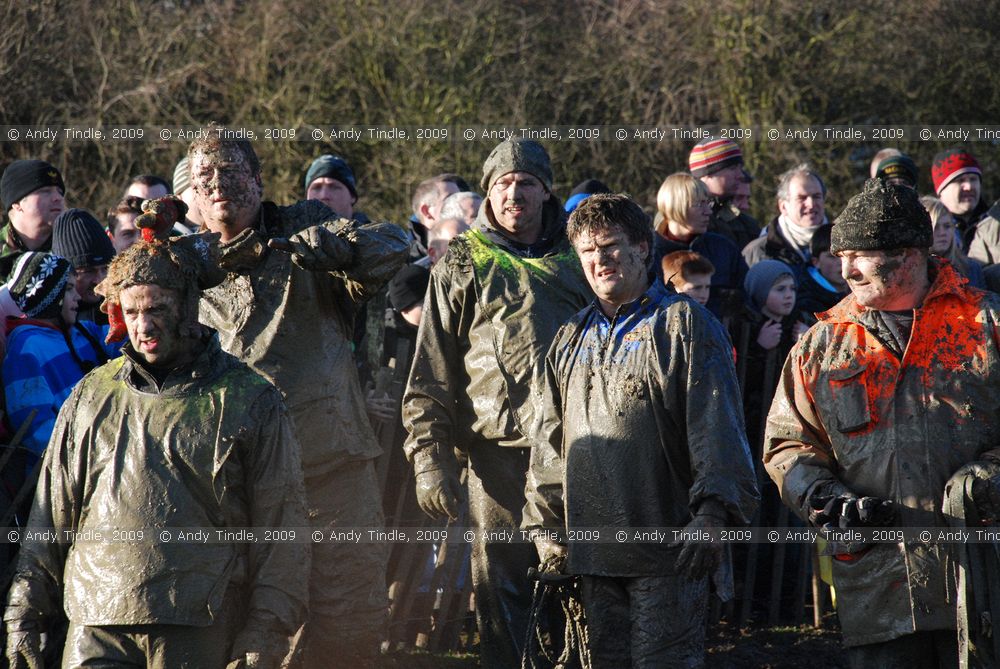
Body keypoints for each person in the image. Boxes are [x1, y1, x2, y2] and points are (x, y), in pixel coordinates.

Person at [3, 238, 309, 669]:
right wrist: (24, 612)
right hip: (97, 620)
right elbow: (50, 514)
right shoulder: (92, 396)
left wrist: (268, 628)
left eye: (156, 310)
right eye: (131, 313)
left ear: (189, 308)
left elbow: (283, 527)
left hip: (198, 622)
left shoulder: (251, 399)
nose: (143, 327)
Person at [189, 131, 409, 667]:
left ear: (259, 181)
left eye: (232, 173)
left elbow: (397, 245)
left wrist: (341, 251)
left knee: (350, 622)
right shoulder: (185, 264)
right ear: (192, 195)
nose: (219, 186)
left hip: (331, 468)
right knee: (251, 629)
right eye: (205, 178)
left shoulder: (305, 226)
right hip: (236, 483)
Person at [764, 178, 1000, 667]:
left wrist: (991, 474)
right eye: (840, 254)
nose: (844, 269)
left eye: (859, 254)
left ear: (909, 255)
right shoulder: (823, 345)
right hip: (880, 592)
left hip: (982, 587)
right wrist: (825, 500)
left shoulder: (985, 326)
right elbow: (787, 444)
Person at [522, 193, 758, 668]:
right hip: (592, 555)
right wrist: (546, 529)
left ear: (643, 249)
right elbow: (549, 442)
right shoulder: (569, 338)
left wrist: (713, 514)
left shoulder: (684, 324)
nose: (599, 260)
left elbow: (716, 426)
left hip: (669, 551)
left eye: (610, 247)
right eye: (588, 252)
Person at [402, 138, 593, 669]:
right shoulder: (463, 261)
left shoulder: (580, 255)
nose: (514, 193)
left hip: (582, 449)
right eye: (503, 183)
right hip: (496, 456)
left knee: (582, 582)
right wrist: (429, 460)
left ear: (546, 190)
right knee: (502, 590)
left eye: (526, 182)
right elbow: (431, 372)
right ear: (488, 191)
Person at [2, 252, 120, 463]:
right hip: (73, 468)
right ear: (48, 295)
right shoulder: (26, 349)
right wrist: (87, 459)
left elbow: (121, 341)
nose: (78, 296)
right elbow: (36, 431)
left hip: (103, 449)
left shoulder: (82, 331)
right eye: (68, 289)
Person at [651, 172, 747, 319]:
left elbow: (746, 299)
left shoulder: (723, 248)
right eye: (699, 204)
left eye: (707, 203)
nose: (708, 211)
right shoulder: (648, 255)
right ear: (676, 206)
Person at [743, 163, 828, 291]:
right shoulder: (759, 252)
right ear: (783, 206)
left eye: (816, 196)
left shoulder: (844, 247)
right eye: (802, 198)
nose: (811, 204)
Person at [688, 138, 760, 249]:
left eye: (740, 168)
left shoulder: (746, 225)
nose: (740, 175)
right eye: (732, 168)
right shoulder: (683, 218)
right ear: (707, 173)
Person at [0, 160, 65, 278]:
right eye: (45, 192)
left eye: (60, 192)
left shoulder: (73, 248)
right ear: (17, 203)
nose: (58, 198)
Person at [52, 208, 116, 324]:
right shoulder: (51, 324)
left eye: (106, 268)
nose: (99, 280)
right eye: (88, 271)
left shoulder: (126, 311)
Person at [922, 196, 985, 289]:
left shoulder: (971, 268)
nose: (943, 233)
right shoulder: (908, 271)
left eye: (947, 226)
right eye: (935, 226)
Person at [932, 148, 988, 252]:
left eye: (973, 179)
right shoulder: (928, 229)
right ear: (942, 191)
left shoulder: (995, 224)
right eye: (960, 180)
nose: (969, 186)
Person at [796, 223, 849, 318]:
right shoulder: (806, 302)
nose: (841, 262)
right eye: (832, 257)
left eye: (845, 255)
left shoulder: (863, 289)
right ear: (816, 262)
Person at [303, 153, 359, 218]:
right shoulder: (290, 226)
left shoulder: (372, 228)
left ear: (352, 196)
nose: (324, 195)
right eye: (316, 187)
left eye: (334, 187)